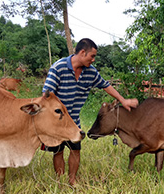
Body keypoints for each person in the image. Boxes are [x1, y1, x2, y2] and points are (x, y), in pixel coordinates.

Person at [42, 38, 139, 185]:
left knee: (75, 150)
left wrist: (123, 100)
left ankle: (72, 180)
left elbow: (105, 85)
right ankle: (60, 181)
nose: (93, 60)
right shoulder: (58, 67)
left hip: (74, 120)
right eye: (92, 56)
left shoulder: (91, 72)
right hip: (57, 121)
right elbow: (46, 95)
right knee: (58, 151)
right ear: (82, 52)